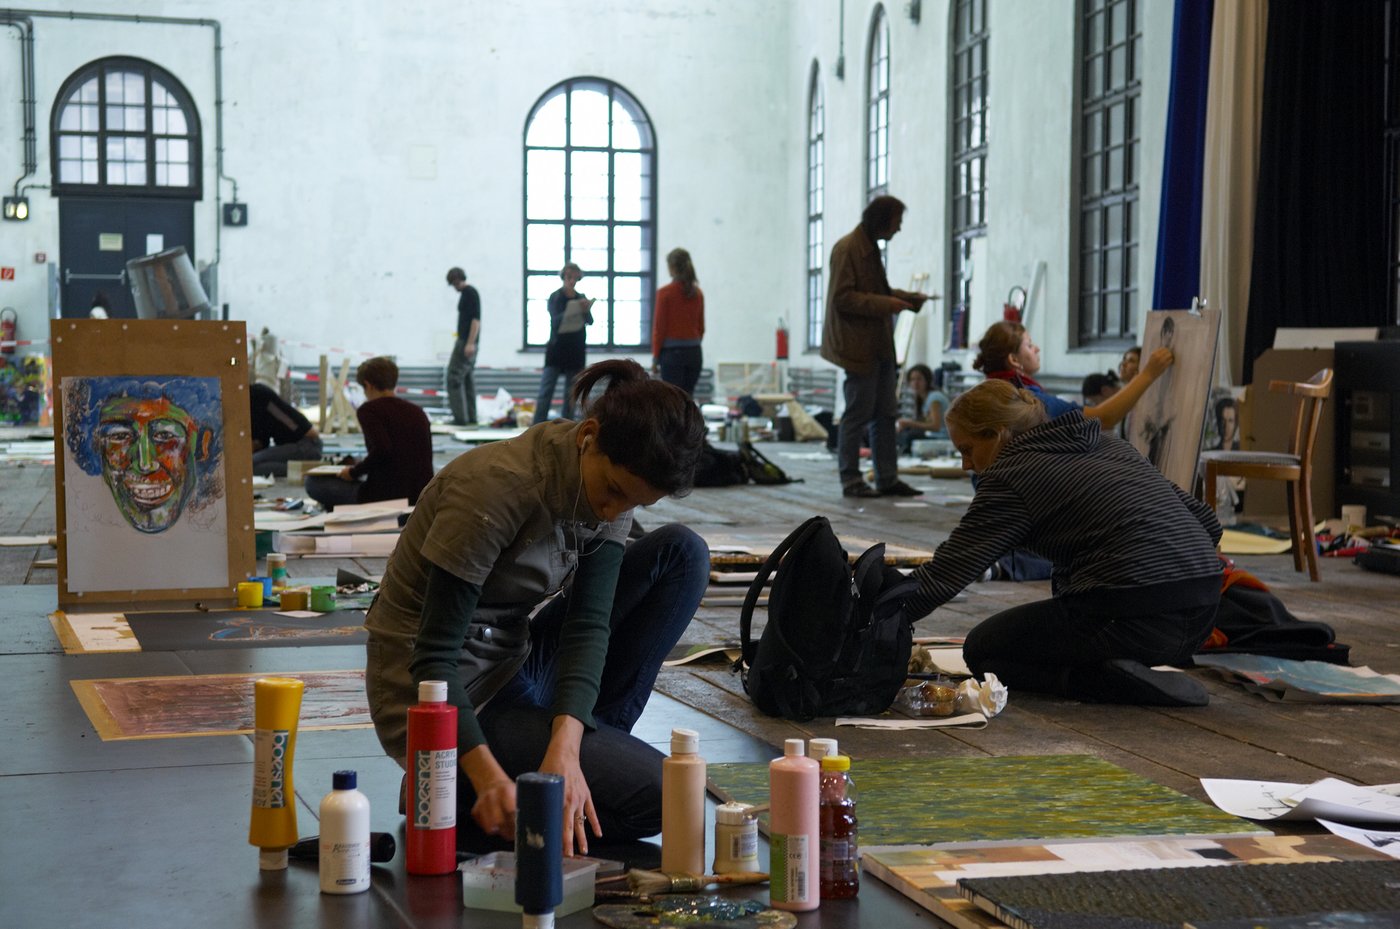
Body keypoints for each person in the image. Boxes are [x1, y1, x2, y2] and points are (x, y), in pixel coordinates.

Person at [364, 359, 709, 856]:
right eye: (612, 492)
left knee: (682, 553)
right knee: (661, 799)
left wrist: (566, 747)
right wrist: (486, 778)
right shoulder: (492, 490)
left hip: (511, 658)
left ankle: (575, 759)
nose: (613, 513)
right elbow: (433, 657)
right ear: (588, 435)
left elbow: (589, 625)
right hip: (436, 688)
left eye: (634, 504)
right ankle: (460, 787)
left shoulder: (616, 482)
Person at [901, 379, 1223, 706]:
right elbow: (1207, 522)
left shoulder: (1010, 475)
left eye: (967, 450)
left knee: (983, 650)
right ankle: (1123, 664)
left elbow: (944, 576)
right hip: (1205, 613)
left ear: (998, 435)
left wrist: (871, 619)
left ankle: (1103, 681)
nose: (965, 465)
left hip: (1132, 619)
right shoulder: (1111, 445)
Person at [821, 195, 934, 498]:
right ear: (882, 220)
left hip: (879, 345)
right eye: (897, 222)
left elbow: (874, 293)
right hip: (858, 348)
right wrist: (889, 302)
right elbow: (843, 299)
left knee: (886, 413)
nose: (898, 230)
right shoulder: (848, 249)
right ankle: (851, 479)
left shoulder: (868, 248)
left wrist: (906, 299)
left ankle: (887, 477)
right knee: (857, 413)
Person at [973, 321, 1172, 428]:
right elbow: (1103, 418)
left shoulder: (989, 391)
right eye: (1030, 345)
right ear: (1014, 360)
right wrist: (1147, 374)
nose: (1037, 349)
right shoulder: (1026, 399)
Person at [304, 357, 434, 511]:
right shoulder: (417, 411)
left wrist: (353, 472)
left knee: (313, 482)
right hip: (421, 495)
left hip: (385, 496)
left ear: (368, 385)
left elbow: (382, 450)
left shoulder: (369, 410)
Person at [534, 262, 594, 421]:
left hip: (575, 350)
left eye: (575, 278)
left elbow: (590, 321)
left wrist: (586, 309)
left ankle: (566, 426)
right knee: (546, 391)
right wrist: (571, 309)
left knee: (571, 393)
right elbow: (554, 321)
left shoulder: (581, 297)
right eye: (569, 277)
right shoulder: (556, 297)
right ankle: (536, 426)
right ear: (563, 278)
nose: (572, 281)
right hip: (557, 349)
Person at [652, 248, 705, 396]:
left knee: (673, 401)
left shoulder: (665, 293)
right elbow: (701, 328)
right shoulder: (697, 293)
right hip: (694, 353)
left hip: (672, 356)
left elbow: (659, 329)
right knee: (688, 399)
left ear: (672, 267)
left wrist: (655, 358)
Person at [250, 382, 322, 477]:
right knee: (251, 466)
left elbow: (309, 432)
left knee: (250, 463)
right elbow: (260, 443)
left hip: (305, 444)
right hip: (294, 445)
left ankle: (304, 469)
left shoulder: (258, 395)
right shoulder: (253, 401)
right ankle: (300, 468)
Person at [445, 267, 481, 427]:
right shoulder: (469, 293)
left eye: (454, 283)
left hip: (466, 341)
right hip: (467, 341)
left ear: (457, 279)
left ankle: (460, 418)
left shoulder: (469, 293)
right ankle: (470, 418)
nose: (454, 287)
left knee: (453, 377)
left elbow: (475, 320)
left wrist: (470, 343)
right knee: (467, 379)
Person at [896, 363, 950, 454]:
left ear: (927, 380)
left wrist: (910, 423)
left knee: (910, 436)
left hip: (942, 437)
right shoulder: (923, 398)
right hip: (933, 435)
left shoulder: (934, 398)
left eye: (919, 379)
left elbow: (936, 427)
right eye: (912, 379)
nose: (915, 383)